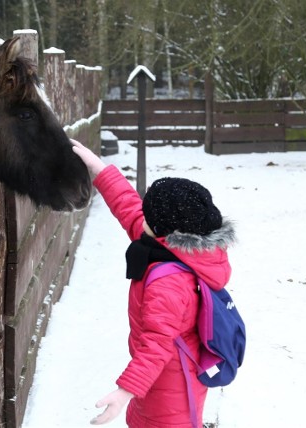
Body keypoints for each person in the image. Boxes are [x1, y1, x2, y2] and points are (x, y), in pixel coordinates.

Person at [71, 139, 236, 427]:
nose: (141, 216)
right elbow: (129, 208)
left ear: (163, 230)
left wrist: (125, 391)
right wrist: (99, 169)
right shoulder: (179, 248)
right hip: (165, 382)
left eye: (148, 214)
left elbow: (156, 345)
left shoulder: (169, 283)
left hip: (169, 397)